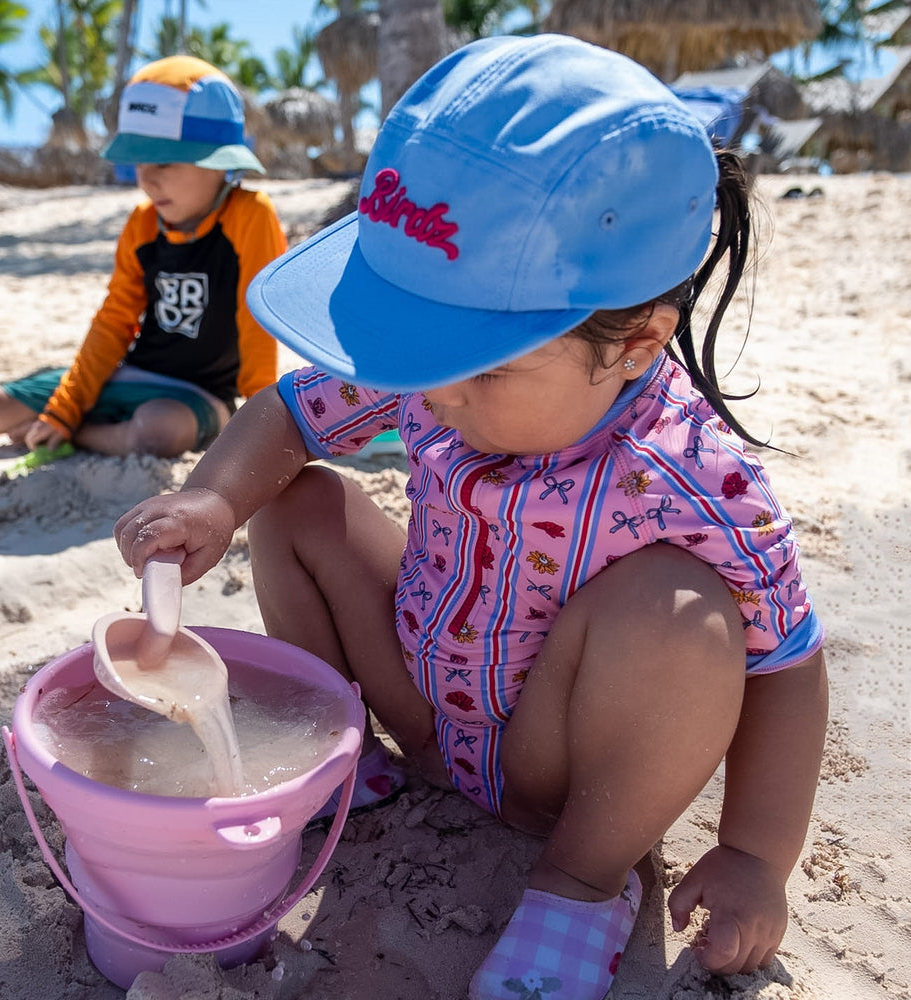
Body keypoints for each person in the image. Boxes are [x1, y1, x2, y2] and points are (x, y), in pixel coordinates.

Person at [113, 35, 828, 1000]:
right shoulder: (434, 367)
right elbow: (289, 412)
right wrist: (216, 497)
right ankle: (343, 755)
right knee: (297, 501)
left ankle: (582, 885)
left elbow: (787, 663)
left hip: (557, 766)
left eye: (482, 367)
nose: (436, 392)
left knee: (679, 612)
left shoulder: (692, 476)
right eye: (422, 351)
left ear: (635, 340)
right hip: (418, 703)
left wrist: (754, 855)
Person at [0, 55, 287, 459]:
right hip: (131, 374)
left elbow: (259, 321)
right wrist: (65, 409)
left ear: (219, 162)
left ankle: (79, 436)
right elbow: (114, 322)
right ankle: (65, 427)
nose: (147, 178)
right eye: (139, 160)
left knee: (159, 433)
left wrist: (260, 418)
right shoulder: (143, 224)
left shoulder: (250, 215)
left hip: (201, 396)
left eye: (164, 161)